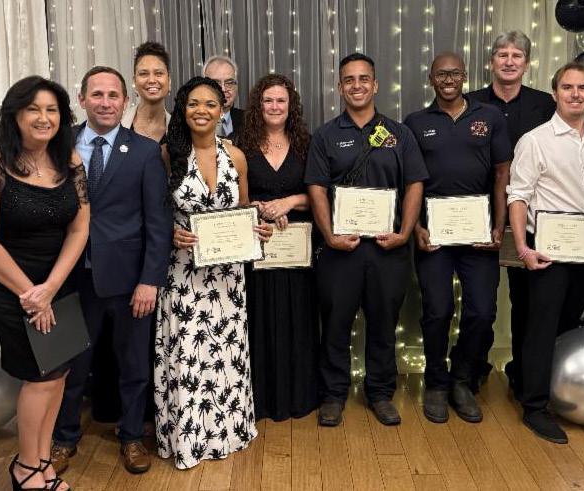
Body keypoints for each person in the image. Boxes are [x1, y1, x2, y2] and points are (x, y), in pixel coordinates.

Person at [0, 76, 88, 490]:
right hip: (8, 283)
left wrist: (51, 287)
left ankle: (43, 460)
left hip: (56, 280)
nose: (43, 118)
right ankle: (26, 467)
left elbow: (79, 229)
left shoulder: (68, 159)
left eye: (52, 110)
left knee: (59, 372)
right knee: (40, 375)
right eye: (33, 109)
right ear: (14, 114)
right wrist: (32, 294)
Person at [50, 66, 171, 475]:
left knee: (133, 365)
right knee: (69, 364)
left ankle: (132, 437)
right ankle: (63, 439)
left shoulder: (145, 152)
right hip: (69, 278)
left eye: (113, 95)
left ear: (126, 101)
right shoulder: (57, 145)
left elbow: (158, 223)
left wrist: (150, 280)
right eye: (97, 94)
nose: (105, 102)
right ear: (82, 99)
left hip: (128, 281)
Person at [306, 53, 428, 427]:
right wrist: (329, 235)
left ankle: (380, 393)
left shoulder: (399, 134)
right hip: (340, 251)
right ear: (339, 87)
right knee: (335, 325)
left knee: (383, 325)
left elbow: (414, 184)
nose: (356, 85)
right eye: (349, 80)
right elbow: (316, 188)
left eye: (363, 79)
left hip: (388, 249)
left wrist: (405, 233)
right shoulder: (326, 135)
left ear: (375, 85)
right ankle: (333, 395)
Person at [155, 76, 272, 469]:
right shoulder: (167, 153)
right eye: (193, 103)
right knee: (188, 354)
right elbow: (153, 213)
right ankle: (187, 439)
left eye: (210, 104)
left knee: (225, 352)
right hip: (183, 273)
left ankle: (228, 432)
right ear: (182, 109)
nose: (201, 110)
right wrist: (170, 234)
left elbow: (243, 209)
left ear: (222, 110)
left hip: (227, 277)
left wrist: (258, 228)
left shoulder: (236, 156)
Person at [507, 62, 584, 443]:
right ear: (555, 93)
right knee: (541, 328)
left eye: (583, 88)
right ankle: (534, 406)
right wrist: (523, 248)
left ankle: (554, 391)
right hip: (546, 250)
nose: (575, 94)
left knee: (569, 324)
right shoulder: (535, 140)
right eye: (567, 87)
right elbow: (518, 197)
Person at [403, 52, 511, 424]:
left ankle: (462, 379)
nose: (448, 80)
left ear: (464, 76)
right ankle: (436, 382)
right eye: (440, 74)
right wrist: (416, 227)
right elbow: (410, 181)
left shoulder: (490, 117)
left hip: (478, 234)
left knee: (482, 312)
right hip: (434, 234)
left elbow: (502, 174)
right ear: (431, 79)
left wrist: (499, 226)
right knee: (437, 310)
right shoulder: (416, 122)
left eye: (454, 73)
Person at [465, 31, 556, 397]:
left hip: (529, 216)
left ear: (527, 64)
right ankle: (474, 367)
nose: (509, 61)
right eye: (502, 54)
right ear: (491, 62)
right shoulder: (469, 103)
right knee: (480, 301)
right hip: (479, 214)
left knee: (526, 299)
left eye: (517, 55)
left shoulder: (545, 105)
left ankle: (523, 371)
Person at [236, 73, 319, 421]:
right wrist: (256, 207)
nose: (274, 106)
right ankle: (261, 400)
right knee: (259, 320)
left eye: (280, 100)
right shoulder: (240, 145)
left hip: (296, 252)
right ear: (258, 105)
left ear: (290, 105)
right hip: (256, 248)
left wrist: (289, 202)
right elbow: (232, 198)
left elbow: (320, 195)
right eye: (268, 100)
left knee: (296, 320)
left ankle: (297, 397)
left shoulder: (307, 144)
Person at [122, 41, 172, 142]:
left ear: (169, 80)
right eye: (144, 74)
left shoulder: (179, 129)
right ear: (134, 81)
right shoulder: (118, 123)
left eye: (159, 73)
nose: (151, 80)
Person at [203, 55, 245, 140]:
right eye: (216, 83)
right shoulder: (191, 121)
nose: (223, 89)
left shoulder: (248, 120)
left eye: (229, 83)